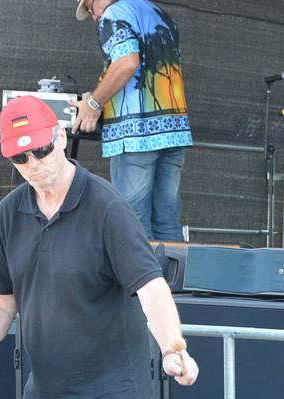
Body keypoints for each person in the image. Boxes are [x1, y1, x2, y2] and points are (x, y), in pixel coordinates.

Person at [0, 95, 198, 399]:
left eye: (41, 150)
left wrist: (171, 349)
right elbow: (0, 303)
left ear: (60, 137)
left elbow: (151, 289)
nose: (33, 164)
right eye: (20, 157)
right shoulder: (9, 213)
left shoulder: (107, 208)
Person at [70, 0, 192, 242]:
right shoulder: (159, 13)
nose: (94, 17)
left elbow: (127, 62)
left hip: (137, 134)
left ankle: (142, 270)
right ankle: (172, 270)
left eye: (89, 9)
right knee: (167, 223)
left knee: (133, 225)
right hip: (174, 131)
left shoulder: (113, 14)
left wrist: (93, 104)